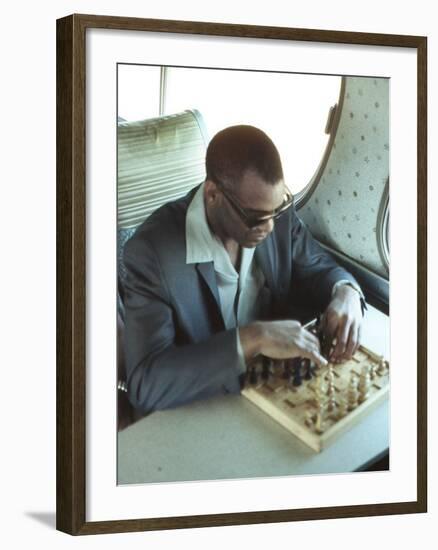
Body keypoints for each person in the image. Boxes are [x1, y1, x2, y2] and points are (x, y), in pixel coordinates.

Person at [122, 125, 365, 414]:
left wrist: (346, 292)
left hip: (271, 391)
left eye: (276, 210)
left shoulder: (274, 214)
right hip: (202, 405)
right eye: (256, 218)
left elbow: (318, 267)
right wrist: (252, 338)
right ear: (212, 195)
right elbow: (146, 384)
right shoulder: (151, 253)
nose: (270, 227)